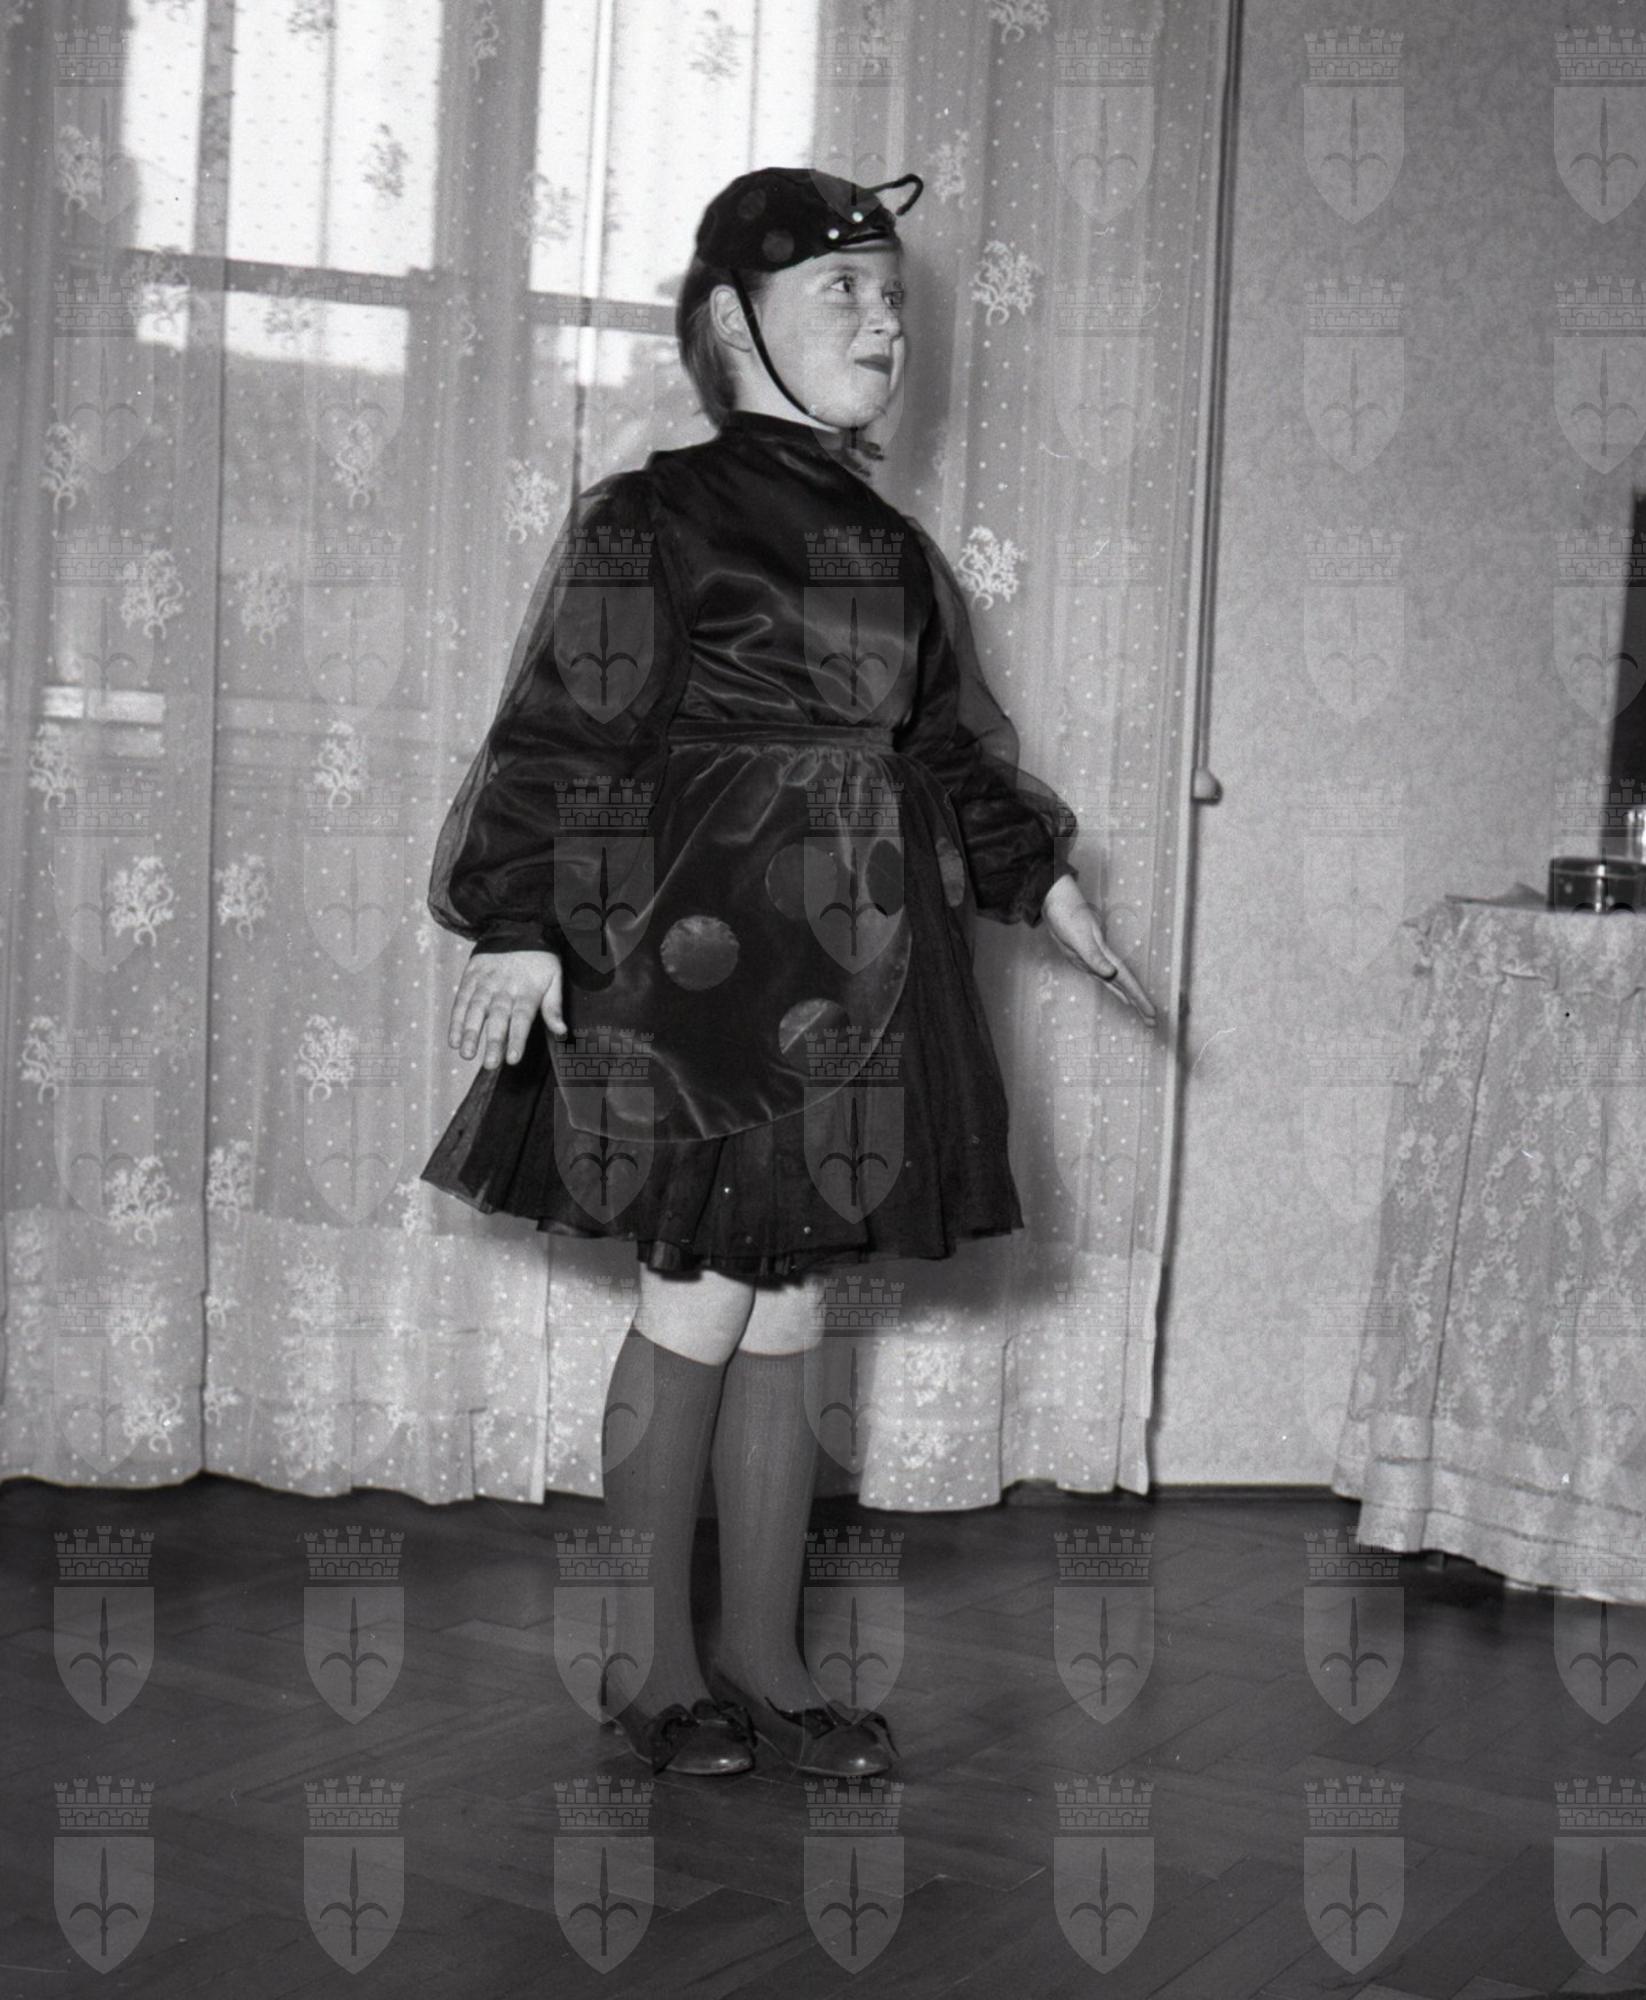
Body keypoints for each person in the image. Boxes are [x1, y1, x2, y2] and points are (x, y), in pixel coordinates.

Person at [419, 166, 1154, 1780]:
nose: (884, 321)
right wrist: (518, 917)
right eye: (843, 291)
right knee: (699, 1292)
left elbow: (943, 751)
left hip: (868, 970)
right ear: (729, 323)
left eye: (893, 297)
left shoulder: (889, 545)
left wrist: (1042, 881)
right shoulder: (652, 516)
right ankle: (648, 1669)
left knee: (787, 1308)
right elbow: (563, 730)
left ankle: (763, 1661)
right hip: (697, 969)